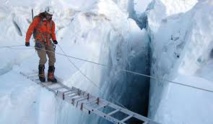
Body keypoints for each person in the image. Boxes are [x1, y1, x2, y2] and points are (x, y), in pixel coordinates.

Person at [25, 6, 58, 83]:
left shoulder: (52, 23)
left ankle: (50, 76)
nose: (50, 16)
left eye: (51, 15)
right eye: (48, 15)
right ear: (45, 13)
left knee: (52, 58)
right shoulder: (37, 19)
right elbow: (30, 29)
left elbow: (52, 32)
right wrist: (27, 40)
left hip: (48, 41)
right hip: (39, 41)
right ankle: (41, 74)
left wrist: (54, 39)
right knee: (43, 59)